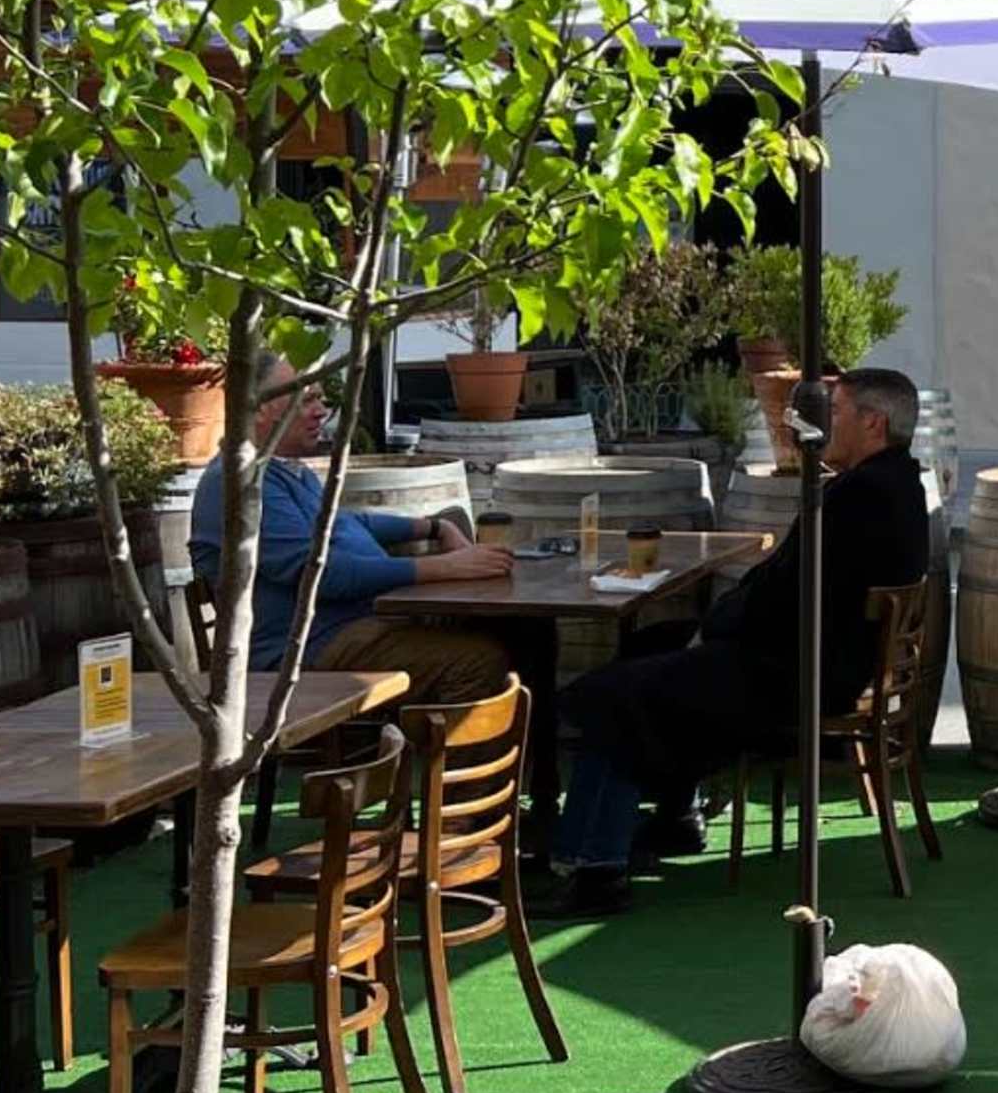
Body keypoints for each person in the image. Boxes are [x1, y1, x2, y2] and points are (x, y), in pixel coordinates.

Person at [549, 363, 933, 914]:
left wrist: (714, 629)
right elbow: (790, 586)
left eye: (839, 412)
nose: (827, 424)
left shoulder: (858, 497)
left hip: (798, 674)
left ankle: (594, 868)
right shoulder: (896, 485)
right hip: (823, 658)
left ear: (873, 423)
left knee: (617, 693)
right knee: (648, 646)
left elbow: (786, 596)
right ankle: (676, 817)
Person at [187, 352, 521, 704]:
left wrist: (434, 527)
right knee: (477, 662)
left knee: (515, 633)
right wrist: (445, 567)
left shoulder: (281, 469)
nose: (320, 411)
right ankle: (423, 758)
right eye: (307, 400)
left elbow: (346, 523)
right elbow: (321, 573)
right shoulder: (242, 483)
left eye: (321, 399)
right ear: (256, 408)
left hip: (349, 628)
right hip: (302, 652)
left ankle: (450, 750)